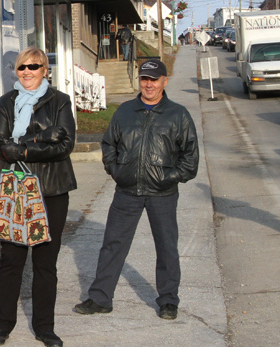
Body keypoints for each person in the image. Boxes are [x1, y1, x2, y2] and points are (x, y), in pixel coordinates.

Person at [74, 58, 198, 321]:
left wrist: (168, 177)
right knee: (112, 245)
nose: (149, 84)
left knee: (166, 247)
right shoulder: (124, 112)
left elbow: (190, 159)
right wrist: (116, 170)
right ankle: (100, 298)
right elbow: (109, 144)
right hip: (127, 192)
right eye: (144, 79)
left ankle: (168, 301)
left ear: (164, 81)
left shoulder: (178, 115)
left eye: (154, 79)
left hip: (162, 194)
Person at [0, 47, 76, 347]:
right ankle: (2, 325)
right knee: (11, 259)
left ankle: (45, 327)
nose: (27, 72)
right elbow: (0, 144)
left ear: (44, 70)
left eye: (34, 66)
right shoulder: (5, 103)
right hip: (15, 190)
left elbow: (64, 145)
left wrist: (23, 148)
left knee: (45, 262)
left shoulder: (60, 101)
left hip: (51, 189)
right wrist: (40, 137)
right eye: (22, 67)